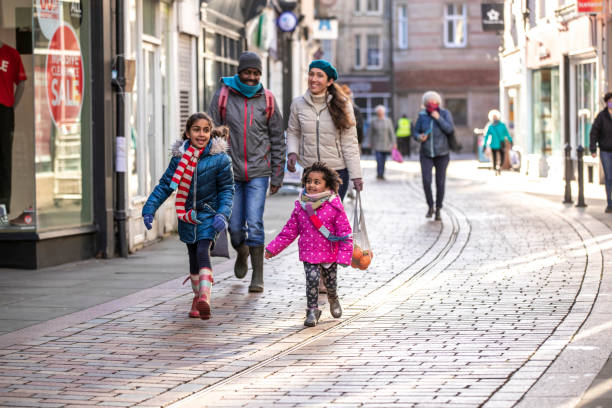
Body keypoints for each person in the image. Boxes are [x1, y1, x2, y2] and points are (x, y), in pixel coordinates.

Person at [142, 112, 234, 320]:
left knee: (203, 250)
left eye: (205, 130)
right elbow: (166, 185)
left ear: (211, 133)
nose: (201, 134)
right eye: (196, 130)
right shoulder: (179, 159)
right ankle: (196, 297)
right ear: (187, 133)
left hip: (210, 214)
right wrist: (149, 208)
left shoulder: (220, 159)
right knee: (193, 257)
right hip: (186, 215)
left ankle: (204, 295)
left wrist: (223, 213)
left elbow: (228, 190)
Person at [208, 51, 286, 292]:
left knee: (254, 222)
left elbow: (277, 139)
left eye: (256, 73)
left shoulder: (268, 99)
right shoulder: (222, 95)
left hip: (258, 171)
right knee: (233, 226)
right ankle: (241, 251)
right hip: (229, 171)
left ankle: (257, 276)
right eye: (247, 72)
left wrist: (277, 174)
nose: (251, 77)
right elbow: (207, 127)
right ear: (239, 72)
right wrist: (217, 130)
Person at [265, 162, 352, 327]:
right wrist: (272, 249)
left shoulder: (334, 206)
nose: (311, 185)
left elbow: (345, 233)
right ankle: (312, 310)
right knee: (311, 281)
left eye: (317, 182)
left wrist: (344, 256)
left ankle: (333, 298)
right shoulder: (301, 207)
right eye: (309, 181)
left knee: (330, 283)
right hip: (309, 253)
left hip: (329, 253)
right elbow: (289, 231)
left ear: (327, 185)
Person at [286, 59, 363, 202]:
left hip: (337, 173)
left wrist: (356, 175)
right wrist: (292, 152)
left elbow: (350, 142)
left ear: (329, 81)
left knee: (331, 220)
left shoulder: (343, 105)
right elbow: (293, 131)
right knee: (312, 220)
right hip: (311, 173)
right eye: (311, 74)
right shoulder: (298, 104)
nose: (314, 79)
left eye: (319, 75)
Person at [413, 91, 454, 221]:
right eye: (429, 102)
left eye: (434, 102)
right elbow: (415, 132)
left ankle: (438, 209)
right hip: (426, 153)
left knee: (440, 182)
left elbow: (449, 129)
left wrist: (438, 118)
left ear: (438, 103)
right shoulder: (422, 116)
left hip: (442, 153)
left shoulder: (445, 113)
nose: (432, 104)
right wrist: (420, 137)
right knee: (426, 180)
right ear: (425, 104)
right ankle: (430, 206)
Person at [0, 41, 27, 217]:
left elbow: (22, 82)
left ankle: (2, 208)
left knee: (3, 159)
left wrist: (11, 107)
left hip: (3, 110)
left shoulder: (11, 54)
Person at [589, 92, 612, 213]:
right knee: (609, 177)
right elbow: (594, 132)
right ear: (607, 102)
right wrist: (593, 149)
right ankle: (610, 204)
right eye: (610, 101)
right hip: (605, 151)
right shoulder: (602, 116)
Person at [368, 105, 397, 180]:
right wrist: (369, 142)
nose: (380, 113)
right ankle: (379, 174)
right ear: (377, 113)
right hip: (377, 144)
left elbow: (391, 133)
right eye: (379, 112)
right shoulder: (373, 121)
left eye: (382, 112)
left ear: (384, 113)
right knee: (378, 160)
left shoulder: (388, 121)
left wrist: (394, 143)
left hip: (386, 145)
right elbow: (370, 133)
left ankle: (382, 173)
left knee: (384, 161)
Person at [483, 109, 512, 176]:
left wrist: (510, 140)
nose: (494, 118)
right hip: (493, 144)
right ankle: (495, 169)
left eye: (495, 117)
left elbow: (507, 134)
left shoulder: (502, 125)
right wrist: (484, 144)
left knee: (502, 158)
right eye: (493, 117)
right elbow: (486, 136)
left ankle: (499, 167)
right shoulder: (490, 126)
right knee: (494, 158)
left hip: (501, 144)